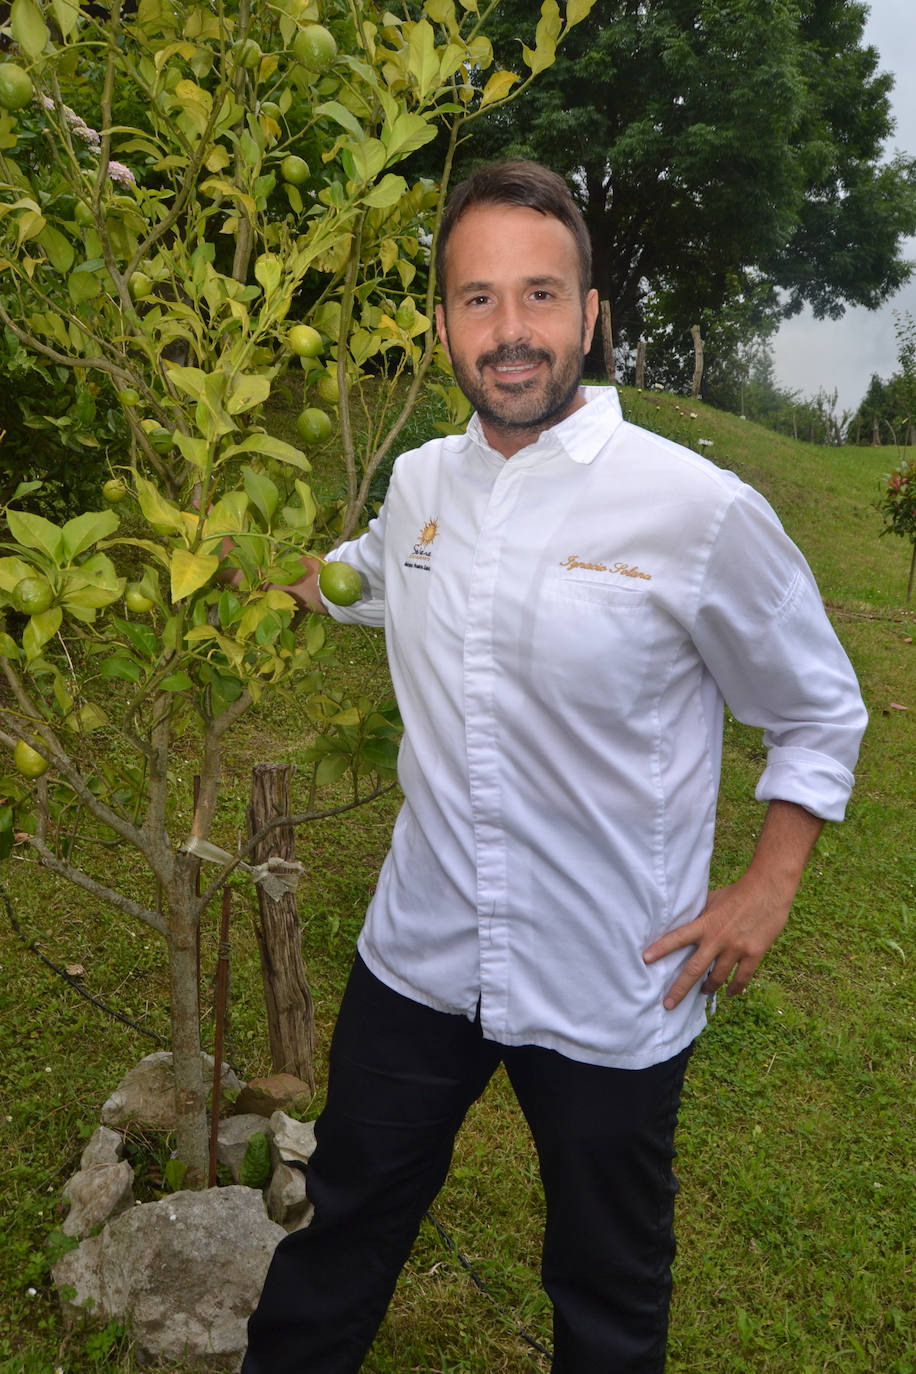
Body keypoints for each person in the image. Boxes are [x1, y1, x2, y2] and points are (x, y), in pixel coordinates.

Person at [242, 160, 867, 1373]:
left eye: (540, 295)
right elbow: (367, 574)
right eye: (477, 300)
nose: (510, 332)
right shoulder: (424, 481)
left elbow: (818, 708)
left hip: (608, 980)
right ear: (441, 324)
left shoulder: (696, 510)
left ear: (590, 315)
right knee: (341, 1231)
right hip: (420, 956)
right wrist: (250, 583)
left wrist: (767, 883)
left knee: (606, 1284)